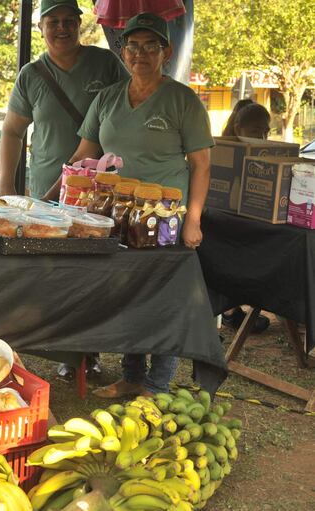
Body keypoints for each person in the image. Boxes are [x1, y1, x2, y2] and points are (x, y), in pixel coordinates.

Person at [64, 12, 214, 398]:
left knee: (166, 299)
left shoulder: (183, 100)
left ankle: (157, 383)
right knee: (128, 293)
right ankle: (131, 375)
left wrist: (193, 220)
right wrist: (56, 195)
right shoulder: (107, 98)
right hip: (115, 215)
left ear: (167, 51)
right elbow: (84, 153)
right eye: (132, 46)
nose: (140, 53)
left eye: (151, 46)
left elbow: (201, 165)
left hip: (166, 220)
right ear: (122, 50)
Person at [0, 0, 128, 199]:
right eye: (53, 22)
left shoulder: (105, 63)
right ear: (41, 27)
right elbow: (12, 131)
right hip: (45, 192)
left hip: (98, 190)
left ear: (79, 23)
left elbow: (132, 109)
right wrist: (5, 186)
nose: (62, 28)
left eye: (69, 21)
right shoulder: (30, 75)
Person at [221, 101, 272, 333]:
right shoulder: (223, 149)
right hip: (227, 221)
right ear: (238, 127)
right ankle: (230, 311)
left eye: (266, 131)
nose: (261, 136)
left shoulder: (267, 151)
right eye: (255, 131)